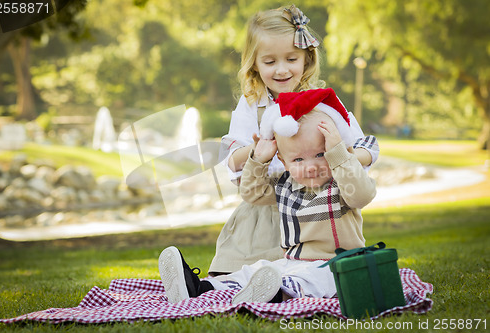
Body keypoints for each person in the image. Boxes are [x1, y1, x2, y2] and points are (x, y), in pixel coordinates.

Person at [159, 88, 377, 304]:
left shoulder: (342, 180)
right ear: (282, 161)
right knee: (259, 269)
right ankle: (201, 288)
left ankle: (274, 294)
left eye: (320, 154)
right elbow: (251, 193)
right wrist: (259, 160)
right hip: (292, 261)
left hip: (340, 263)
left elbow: (362, 196)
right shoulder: (285, 184)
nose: (310, 167)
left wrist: (339, 154)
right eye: (298, 160)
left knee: (313, 278)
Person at [208, 4, 379, 276]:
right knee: (239, 272)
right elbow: (232, 157)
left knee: (302, 273)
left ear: (306, 60)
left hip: (315, 208)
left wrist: (336, 156)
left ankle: (276, 290)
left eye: (291, 59)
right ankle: (202, 287)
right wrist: (261, 149)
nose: (281, 70)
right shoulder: (252, 104)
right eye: (269, 61)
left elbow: (365, 147)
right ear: (254, 63)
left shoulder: (323, 103)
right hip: (265, 206)